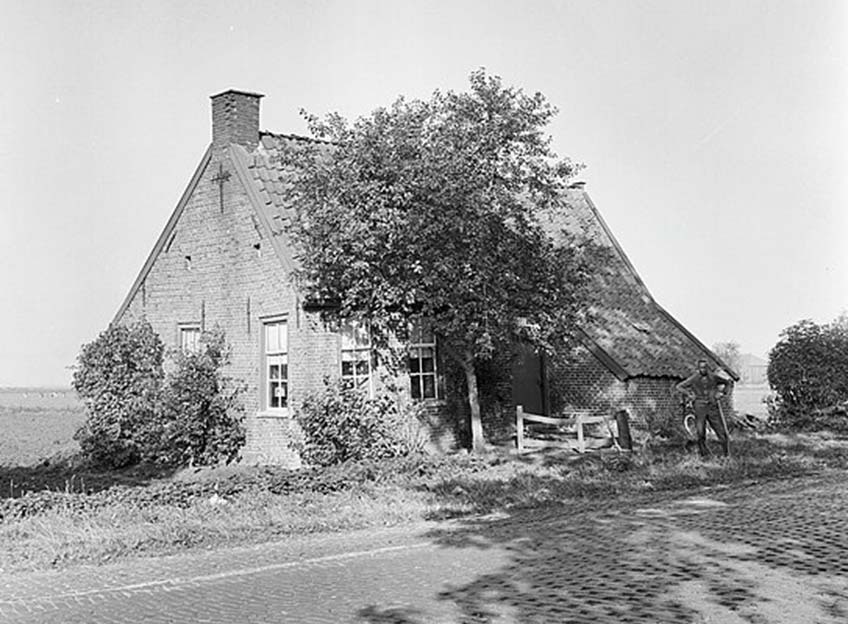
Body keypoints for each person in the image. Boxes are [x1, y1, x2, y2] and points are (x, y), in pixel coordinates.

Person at [676, 359, 733, 457]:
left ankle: (726, 455)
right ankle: (704, 454)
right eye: (701, 368)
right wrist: (689, 394)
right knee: (700, 432)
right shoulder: (694, 378)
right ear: (698, 368)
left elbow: (727, 383)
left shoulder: (713, 377)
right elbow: (680, 386)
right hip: (700, 408)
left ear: (708, 368)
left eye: (705, 367)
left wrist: (722, 393)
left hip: (713, 407)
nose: (703, 370)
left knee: (722, 431)